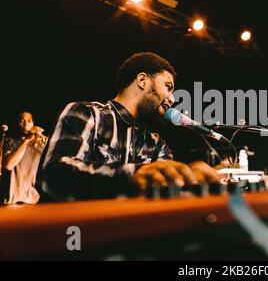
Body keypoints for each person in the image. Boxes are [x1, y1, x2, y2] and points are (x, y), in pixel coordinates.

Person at [38, 52, 218, 201]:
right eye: (168, 87)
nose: (172, 99)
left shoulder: (157, 143)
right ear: (142, 80)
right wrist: (131, 175)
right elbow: (54, 174)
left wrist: (192, 178)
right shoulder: (86, 113)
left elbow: (167, 191)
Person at [1, 111, 47, 204]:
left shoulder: (40, 143)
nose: (26, 124)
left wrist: (45, 142)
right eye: (22, 121)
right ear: (15, 125)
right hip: (11, 201)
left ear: (33, 124)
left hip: (33, 201)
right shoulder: (9, 141)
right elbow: (8, 165)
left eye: (29, 121)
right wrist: (27, 140)